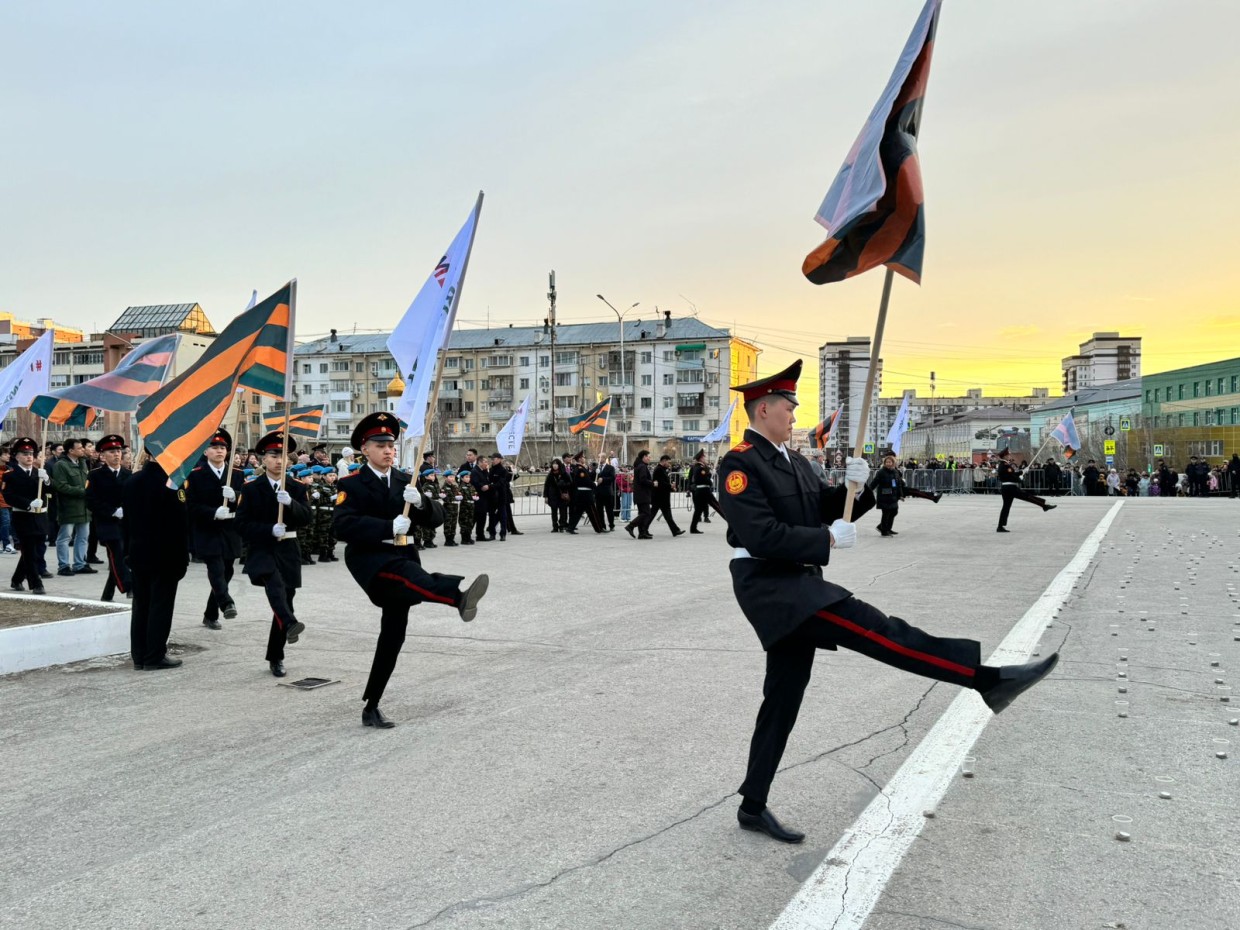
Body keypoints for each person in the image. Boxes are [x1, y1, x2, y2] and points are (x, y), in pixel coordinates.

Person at [718, 360, 1058, 843]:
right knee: (880, 632)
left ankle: (752, 805)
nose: (795, 415)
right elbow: (760, 533)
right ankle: (986, 680)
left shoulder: (793, 460)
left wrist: (867, 482)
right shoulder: (738, 462)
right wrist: (826, 540)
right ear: (765, 408)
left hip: (798, 580)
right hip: (772, 585)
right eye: (789, 407)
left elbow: (827, 506)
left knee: (783, 697)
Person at [333, 412, 490, 729]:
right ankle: (457, 597)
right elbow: (341, 526)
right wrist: (386, 526)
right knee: (410, 578)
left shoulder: (406, 482)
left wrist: (420, 503)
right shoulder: (351, 483)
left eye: (391, 445)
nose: (388, 450)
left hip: (401, 551)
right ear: (365, 449)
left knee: (393, 636)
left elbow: (436, 519)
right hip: (371, 560)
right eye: (380, 445)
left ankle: (372, 705)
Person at [236, 431, 312, 678]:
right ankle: (290, 623)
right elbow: (241, 525)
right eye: (273, 455)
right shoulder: (251, 488)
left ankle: (276, 656)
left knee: (284, 601)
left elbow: (307, 519)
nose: (279, 460)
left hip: (288, 549)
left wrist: (291, 503)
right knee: (276, 586)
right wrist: (268, 529)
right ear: (263, 458)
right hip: (263, 549)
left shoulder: (297, 488)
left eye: (283, 455)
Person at [123, 454, 188, 670]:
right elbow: (179, 521)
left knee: (141, 604)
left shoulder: (132, 480)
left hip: (139, 552)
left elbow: (127, 521)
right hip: (166, 554)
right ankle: (154, 655)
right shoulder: (172, 481)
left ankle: (139, 656)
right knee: (160, 605)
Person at [185, 427, 245, 629]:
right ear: (205, 451)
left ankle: (210, 614)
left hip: (230, 529)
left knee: (227, 571)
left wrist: (235, 496)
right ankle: (227, 603)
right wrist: (212, 512)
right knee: (216, 568)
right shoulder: (195, 475)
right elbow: (190, 505)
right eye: (214, 447)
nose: (219, 450)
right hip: (207, 529)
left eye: (223, 447)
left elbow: (246, 502)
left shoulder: (236, 474)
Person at [85, 434, 131, 602]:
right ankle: (128, 585)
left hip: (126, 523)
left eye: (118, 451)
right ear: (103, 456)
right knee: (117, 553)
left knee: (120, 557)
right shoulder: (95, 475)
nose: (116, 454)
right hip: (106, 523)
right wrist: (112, 511)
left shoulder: (129, 474)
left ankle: (107, 594)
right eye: (111, 451)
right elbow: (90, 500)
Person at [3, 438, 49, 594]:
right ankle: (36, 583)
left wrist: (48, 480)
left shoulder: (39, 473)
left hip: (40, 517)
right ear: (16, 456)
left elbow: (52, 492)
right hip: (23, 516)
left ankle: (16, 580)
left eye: (31, 454)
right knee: (29, 552)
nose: (29, 457)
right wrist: (28, 504)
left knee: (37, 550)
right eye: (25, 454)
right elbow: (9, 496)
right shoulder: (11, 475)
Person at [51, 438, 94, 577]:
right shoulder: (61, 465)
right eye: (80, 448)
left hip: (84, 507)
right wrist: (82, 491)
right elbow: (60, 486)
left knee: (83, 537)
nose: (82, 450)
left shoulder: (82, 463)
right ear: (71, 450)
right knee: (65, 537)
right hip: (69, 507)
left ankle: (79, 564)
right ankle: (63, 565)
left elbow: (86, 482)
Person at [996, 448, 1055, 533]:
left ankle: (1000, 526)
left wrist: (1022, 472)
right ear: (1004, 456)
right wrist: (1019, 479)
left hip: (1008, 488)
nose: (1009, 456)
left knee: (1006, 507)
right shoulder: (1004, 465)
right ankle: (1044, 505)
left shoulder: (1005, 465)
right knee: (1027, 496)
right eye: (1008, 455)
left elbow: (1012, 474)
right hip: (1010, 488)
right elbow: (1010, 477)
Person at [687, 449, 725, 533]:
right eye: (704, 457)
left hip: (701, 491)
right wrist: (710, 480)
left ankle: (693, 528)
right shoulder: (700, 468)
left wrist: (711, 473)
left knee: (698, 510)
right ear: (701, 458)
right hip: (704, 491)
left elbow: (705, 476)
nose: (705, 458)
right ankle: (732, 524)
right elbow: (702, 479)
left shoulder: (699, 467)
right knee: (717, 506)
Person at [567, 451, 602, 534]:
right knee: (592, 511)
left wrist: (595, 472)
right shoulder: (580, 469)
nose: (584, 459)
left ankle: (570, 527)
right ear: (580, 459)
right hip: (585, 493)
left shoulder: (581, 468)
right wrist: (595, 484)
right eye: (583, 457)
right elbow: (585, 481)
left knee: (578, 512)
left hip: (582, 493)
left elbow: (588, 476)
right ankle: (599, 528)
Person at [650, 454, 684, 537]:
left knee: (665, 514)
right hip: (660, 496)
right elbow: (660, 483)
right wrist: (670, 486)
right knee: (653, 514)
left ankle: (675, 530)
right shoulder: (658, 469)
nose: (669, 464)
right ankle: (639, 528)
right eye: (668, 462)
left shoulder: (662, 469)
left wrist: (671, 487)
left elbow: (664, 483)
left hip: (662, 496)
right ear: (664, 461)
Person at [625, 450, 655, 539]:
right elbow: (643, 480)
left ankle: (642, 533)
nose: (649, 458)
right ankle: (630, 526)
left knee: (643, 513)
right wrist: (653, 483)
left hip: (640, 494)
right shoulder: (642, 467)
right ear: (644, 457)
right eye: (648, 457)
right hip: (642, 494)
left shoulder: (640, 466)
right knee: (646, 513)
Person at [543, 458, 571, 532]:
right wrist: (545, 496)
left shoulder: (563, 473)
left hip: (562, 495)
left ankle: (562, 525)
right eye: (553, 464)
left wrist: (563, 484)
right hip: (552, 495)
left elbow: (570, 483)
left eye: (556, 464)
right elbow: (546, 485)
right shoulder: (550, 474)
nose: (555, 466)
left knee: (562, 512)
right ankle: (555, 526)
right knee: (554, 512)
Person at [595, 454, 617, 532]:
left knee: (609, 510)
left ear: (604, 458)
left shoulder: (610, 468)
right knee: (599, 510)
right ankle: (602, 526)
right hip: (598, 492)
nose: (599, 459)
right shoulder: (596, 467)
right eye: (598, 457)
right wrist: (592, 471)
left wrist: (603, 479)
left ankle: (611, 525)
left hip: (607, 492)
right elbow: (591, 476)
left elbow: (612, 477)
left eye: (600, 457)